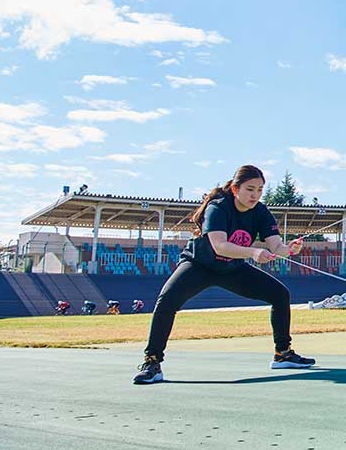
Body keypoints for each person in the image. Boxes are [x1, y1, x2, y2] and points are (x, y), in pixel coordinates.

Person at [133, 165, 315, 385]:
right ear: (236, 189)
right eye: (250, 189)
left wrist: (289, 249)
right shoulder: (218, 207)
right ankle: (152, 362)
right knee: (167, 301)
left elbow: (276, 246)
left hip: (232, 269)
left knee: (280, 295)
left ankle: (283, 353)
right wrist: (253, 252)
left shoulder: (261, 211)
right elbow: (219, 246)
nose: (255, 195)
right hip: (199, 265)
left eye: (259, 190)